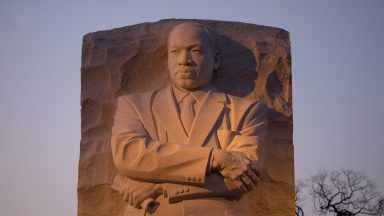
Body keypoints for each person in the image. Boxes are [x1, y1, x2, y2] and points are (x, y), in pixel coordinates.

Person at [111, 22, 267, 216]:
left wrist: (161, 188)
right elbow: (129, 156)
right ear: (167, 59)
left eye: (195, 50)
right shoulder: (134, 105)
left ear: (216, 59)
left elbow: (244, 177)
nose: (184, 60)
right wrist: (215, 158)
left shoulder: (246, 110)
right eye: (175, 51)